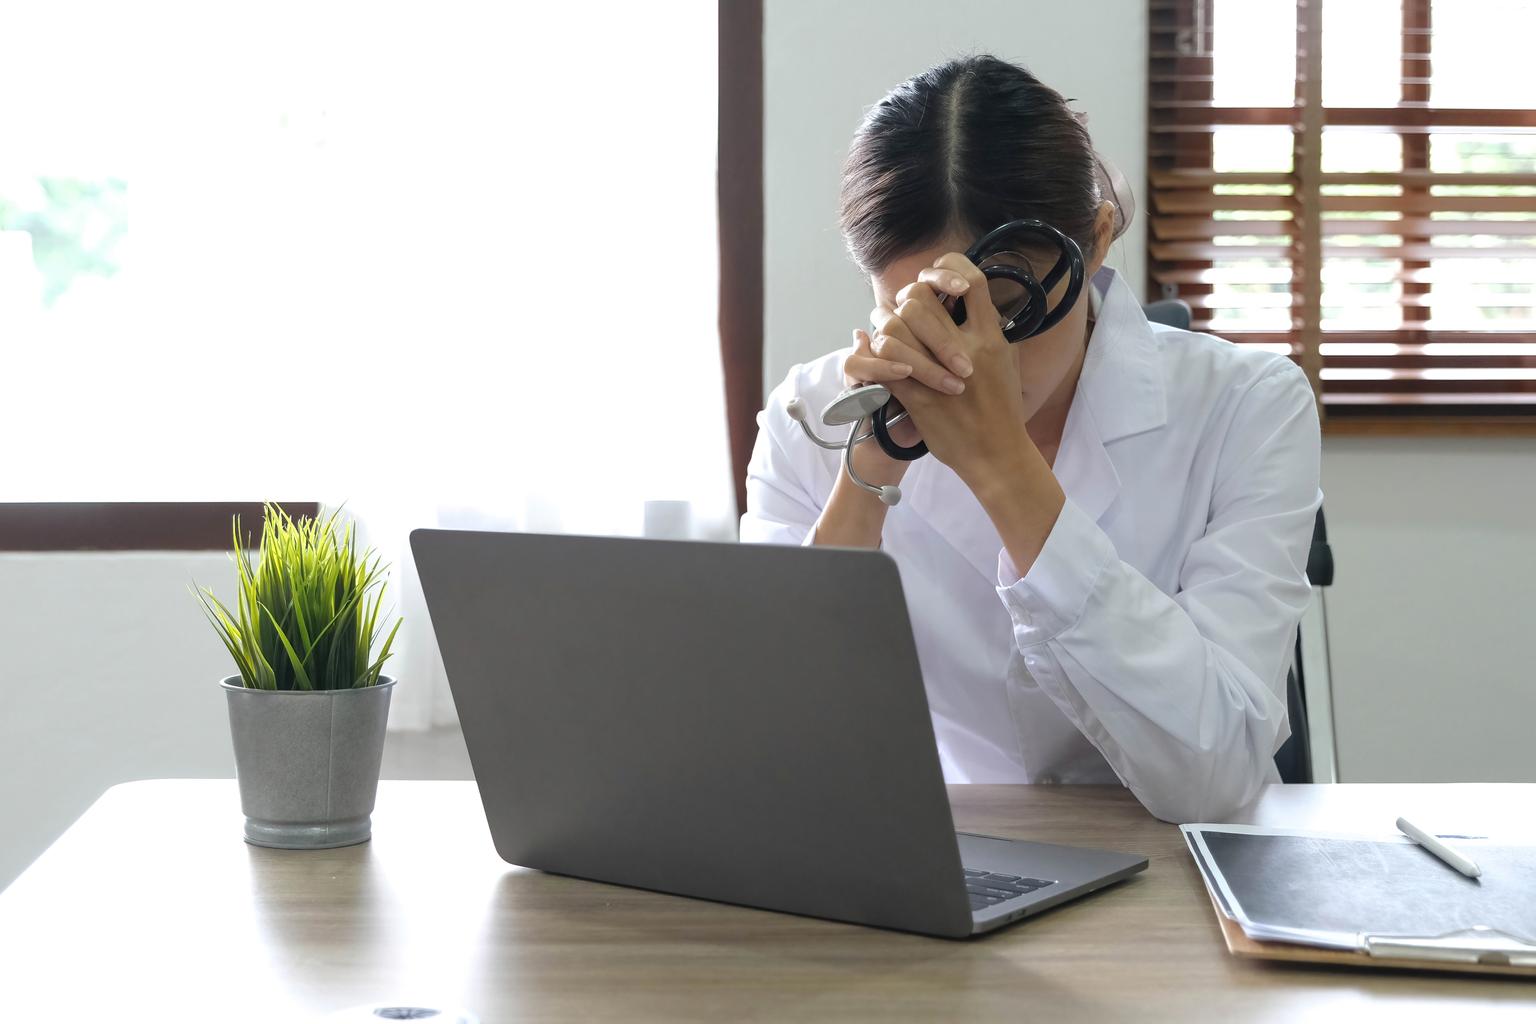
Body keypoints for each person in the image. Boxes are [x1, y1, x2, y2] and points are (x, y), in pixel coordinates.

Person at [740, 55, 1323, 823]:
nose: (972, 354)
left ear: (1101, 238)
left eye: (1008, 306)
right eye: (923, 310)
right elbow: (770, 747)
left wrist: (1004, 469)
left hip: (1177, 871)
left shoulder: (1247, 405)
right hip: (940, 851)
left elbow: (1214, 777)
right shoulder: (813, 416)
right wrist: (870, 472)